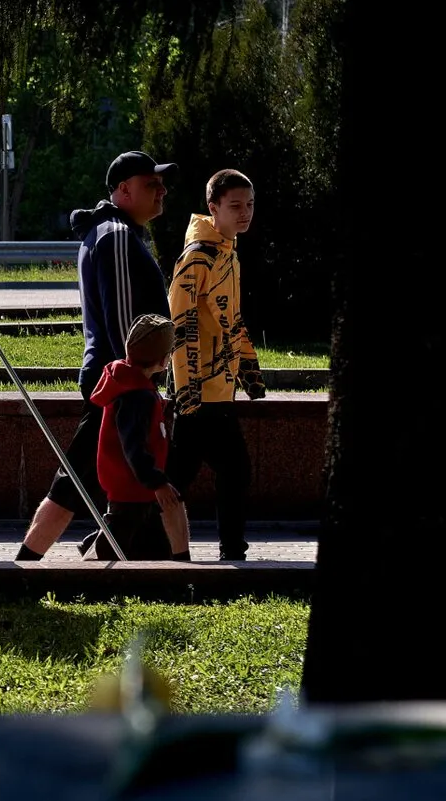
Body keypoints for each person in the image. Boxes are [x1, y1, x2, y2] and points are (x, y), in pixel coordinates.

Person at [17, 150, 177, 561]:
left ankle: (55, 557)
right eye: (150, 185)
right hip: (121, 383)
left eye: (161, 184)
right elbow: (129, 324)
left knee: (95, 478)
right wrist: (138, 377)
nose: (161, 192)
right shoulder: (118, 235)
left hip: (116, 381)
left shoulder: (113, 232)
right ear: (123, 190)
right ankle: (24, 565)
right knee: (76, 479)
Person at [167, 169, 264, 561]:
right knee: (226, 470)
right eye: (235, 206)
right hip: (199, 389)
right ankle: (231, 551)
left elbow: (231, 320)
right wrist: (187, 386)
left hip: (220, 387)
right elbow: (181, 324)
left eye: (250, 205)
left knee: (182, 475)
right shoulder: (198, 258)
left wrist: (250, 372)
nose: (245, 213)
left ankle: (129, 535)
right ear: (213, 208)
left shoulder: (228, 251)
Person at [89, 314, 191, 561]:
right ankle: (88, 567)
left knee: (150, 541)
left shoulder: (135, 386)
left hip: (135, 488)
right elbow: (134, 446)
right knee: (112, 545)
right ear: (162, 359)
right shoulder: (137, 396)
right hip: (132, 487)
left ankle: (176, 573)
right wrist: (156, 481)